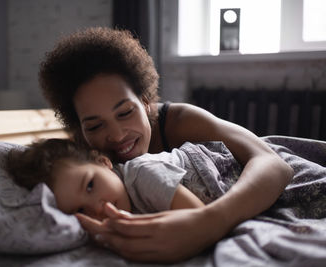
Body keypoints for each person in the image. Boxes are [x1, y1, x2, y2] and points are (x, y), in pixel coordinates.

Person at [38, 27, 294, 263]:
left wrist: (211, 221)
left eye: (125, 112)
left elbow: (274, 163)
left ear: (145, 102)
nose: (116, 136)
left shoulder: (180, 122)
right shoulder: (85, 159)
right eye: (94, 126)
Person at [7, 138, 219, 221]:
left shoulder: (142, 174)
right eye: (80, 211)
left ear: (103, 163)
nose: (97, 208)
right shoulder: (119, 206)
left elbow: (201, 219)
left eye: (90, 185)